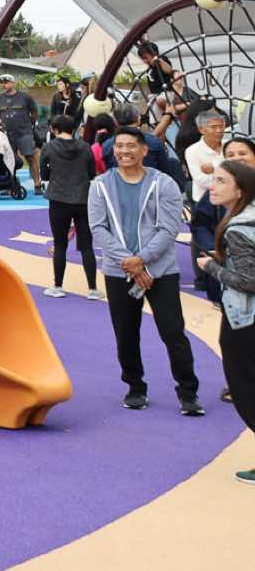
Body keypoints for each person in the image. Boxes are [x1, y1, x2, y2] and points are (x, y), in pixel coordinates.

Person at [87, 128, 205, 415]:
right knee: (126, 334)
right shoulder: (100, 185)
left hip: (161, 271)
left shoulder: (164, 183)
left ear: (144, 151)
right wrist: (129, 261)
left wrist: (143, 261)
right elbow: (98, 228)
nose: (124, 151)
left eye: (130, 146)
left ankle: (188, 392)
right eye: (119, 146)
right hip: (119, 271)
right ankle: (135, 387)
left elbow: (168, 229)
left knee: (173, 332)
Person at [194, 158, 255, 477]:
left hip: (244, 319)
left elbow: (248, 281)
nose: (212, 187)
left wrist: (213, 268)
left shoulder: (239, 229)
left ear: (240, 189)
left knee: (245, 389)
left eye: (220, 181)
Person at [39, 114, 100, 299]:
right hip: (83, 199)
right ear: (73, 129)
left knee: (60, 244)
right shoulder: (85, 147)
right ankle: (93, 289)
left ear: (54, 130)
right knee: (87, 245)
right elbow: (91, 172)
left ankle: (58, 286)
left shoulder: (49, 147)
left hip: (58, 199)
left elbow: (44, 174)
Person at [184, 109, 229, 304]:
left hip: (229, 200)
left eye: (222, 126)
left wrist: (215, 167)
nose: (219, 130)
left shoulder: (229, 145)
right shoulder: (193, 151)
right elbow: (200, 179)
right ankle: (202, 279)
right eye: (214, 127)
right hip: (203, 199)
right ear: (201, 129)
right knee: (202, 238)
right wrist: (226, 173)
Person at [0, 75, 42, 195]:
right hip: (8, 135)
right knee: (9, 160)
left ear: (13, 83)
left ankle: (37, 185)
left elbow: (34, 112)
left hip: (25, 133)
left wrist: (29, 125)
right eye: (1, 83)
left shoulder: (25, 96)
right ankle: (10, 185)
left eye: (6, 82)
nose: (3, 85)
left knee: (31, 158)